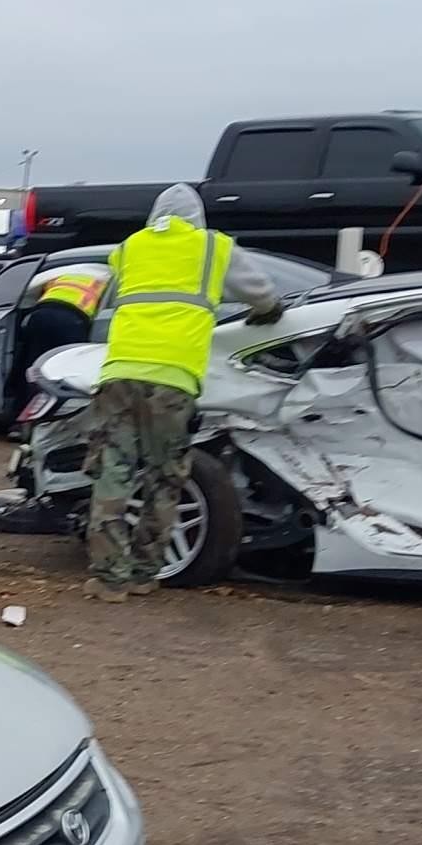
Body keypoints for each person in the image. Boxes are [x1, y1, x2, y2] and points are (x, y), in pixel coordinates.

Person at [85, 184, 282, 600]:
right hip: (172, 379)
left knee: (112, 474)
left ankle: (109, 579)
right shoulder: (212, 247)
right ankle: (142, 574)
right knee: (163, 477)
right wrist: (269, 313)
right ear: (199, 218)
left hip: (119, 373)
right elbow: (260, 293)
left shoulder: (130, 247)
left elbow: (121, 293)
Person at [8, 263, 110, 415]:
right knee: (63, 372)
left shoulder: (61, 275)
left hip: (41, 315)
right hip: (72, 319)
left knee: (32, 367)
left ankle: (19, 417)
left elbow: (28, 295)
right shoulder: (104, 279)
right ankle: (52, 415)